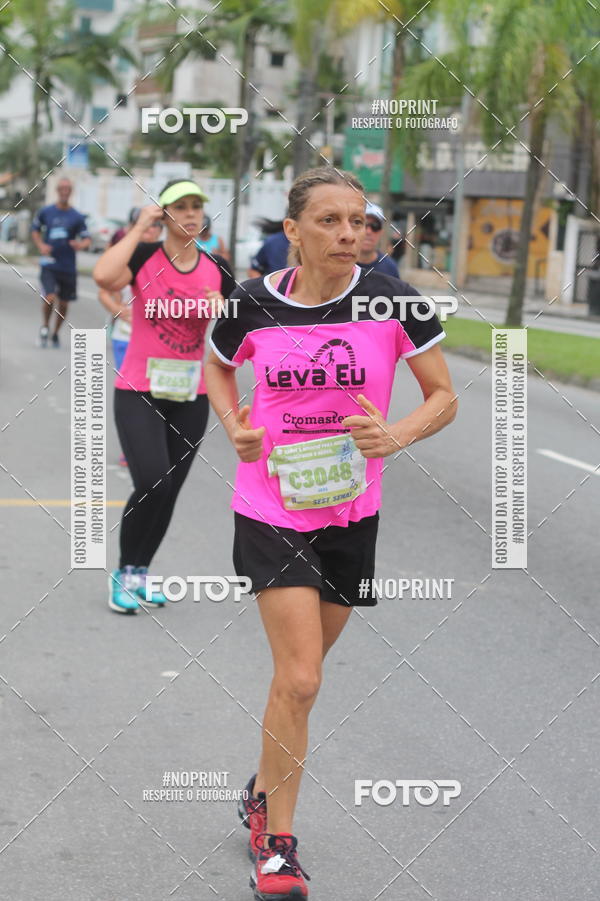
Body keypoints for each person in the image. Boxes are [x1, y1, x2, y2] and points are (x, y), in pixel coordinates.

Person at [205, 167, 457, 900]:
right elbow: (218, 370)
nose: (350, 234)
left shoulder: (390, 298)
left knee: (300, 685)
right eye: (330, 221)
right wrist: (236, 427)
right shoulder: (251, 303)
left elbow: (443, 396)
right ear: (293, 229)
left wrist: (395, 434)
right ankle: (277, 845)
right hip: (271, 507)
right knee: (303, 676)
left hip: (352, 511)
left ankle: (262, 789)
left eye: (360, 221)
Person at [93, 179, 236, 614]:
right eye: (181, 206)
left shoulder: (217, 266)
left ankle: (140, 572)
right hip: (139, 388)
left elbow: (239, 329)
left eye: (197, 206)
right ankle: (123, 571)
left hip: (190, 394)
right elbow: (103, 277)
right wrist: (140, 227)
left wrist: (222, 307)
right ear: (165, 213)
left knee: (169, 489)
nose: (191, 214)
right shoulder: (143, 256)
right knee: (152, 479)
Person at [98, 209, 163, 466]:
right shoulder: (124, 256)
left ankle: (152, 446)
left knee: (158, 395)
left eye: (157, 225)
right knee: (136, 395)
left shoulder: (168, 257)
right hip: (126, 339)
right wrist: (119, 311)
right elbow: (103, 290)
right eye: (146, 224)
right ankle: (132, 450)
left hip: (160, 344)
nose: (151, 229)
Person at [31, 177, 91, 347]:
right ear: (57, 191)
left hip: (68, 265)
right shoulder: (46, 212)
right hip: (49, 264)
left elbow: (87, 239)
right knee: (49, 297)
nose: (65, 191)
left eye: (68, 188)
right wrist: (41, 245)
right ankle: (45, 326)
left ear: (71, 192)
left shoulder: (77, 216)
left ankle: (56, 332)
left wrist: (80, 245)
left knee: (63, 303)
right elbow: (35, 230)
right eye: (62, 188)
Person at [357, 202, 399, 277]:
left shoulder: (390, 268)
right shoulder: (341, 264)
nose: (368, 231)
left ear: (381, 232)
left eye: (375, 226)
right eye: (363, 224)